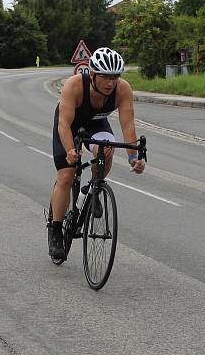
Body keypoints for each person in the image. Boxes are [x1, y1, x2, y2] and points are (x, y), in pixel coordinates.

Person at [48, 47, 146, 259]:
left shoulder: (123, 90)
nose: (111, 83)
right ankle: (55, 229)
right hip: (69, 125)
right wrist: (70, 150)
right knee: (66, 175)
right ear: (92, 74)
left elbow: (128, 126)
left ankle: (92, 189)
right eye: (105, 77)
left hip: (95, 123)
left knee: (106, 149)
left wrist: (133, 158)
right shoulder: (74, 85)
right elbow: (63, 125)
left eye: (115, 77)